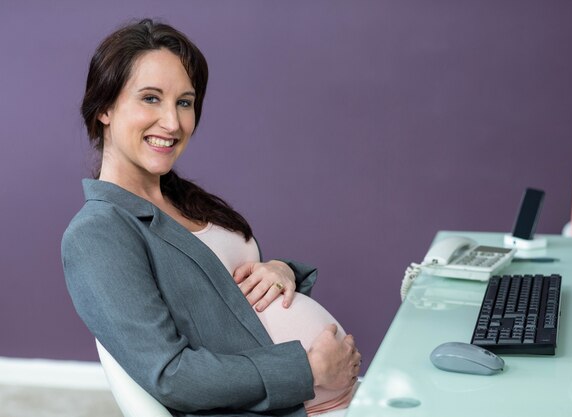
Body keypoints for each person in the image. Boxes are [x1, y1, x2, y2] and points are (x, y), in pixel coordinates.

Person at [62, 18, 360, 417]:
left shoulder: (187, 200)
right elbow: (172, 375)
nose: (173, 122)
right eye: (150, 98)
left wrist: (280, 270)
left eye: (184, 102)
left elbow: (232, 304)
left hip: (343, 396)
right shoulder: (98, 233)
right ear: (105, 108)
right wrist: (309, 368)